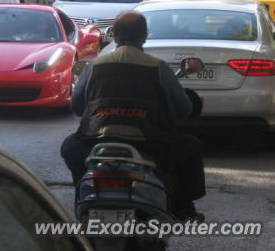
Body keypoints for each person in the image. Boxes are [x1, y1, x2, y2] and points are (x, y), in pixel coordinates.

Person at [60, 12, 205, 221]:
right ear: (144, 36)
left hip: (95, 143)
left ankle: (83, 197)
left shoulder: (95, 66)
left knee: (69, 148)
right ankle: (182, 208)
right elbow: (183, 109)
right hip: (151, 144)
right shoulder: (158, 68)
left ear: (115, 36)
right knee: (191, 147)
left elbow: (76, 106)